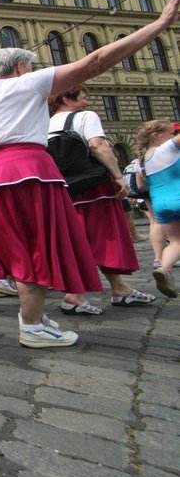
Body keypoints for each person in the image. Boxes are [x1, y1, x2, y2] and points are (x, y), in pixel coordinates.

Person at [0, 0, 180, 348]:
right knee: (34, 246)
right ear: (20, 68)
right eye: (30, 67)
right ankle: (31, 326)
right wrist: (158, 24)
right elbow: (96, 61)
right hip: (22, 171)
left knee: (17, 247)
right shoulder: (25, 83)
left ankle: (32, 316)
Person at [48, 86, 151, 313]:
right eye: (84, 98)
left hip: (63, 189)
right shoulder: (85, 117)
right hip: (93, 187)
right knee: (105, 236)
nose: (88, 102)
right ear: (67, 98)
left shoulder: (44, 123)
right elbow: (98, 145)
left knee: (75, 237)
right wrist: (118, 177)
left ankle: (118, 288)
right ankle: (76, 295)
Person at [135, 119, 180, 298]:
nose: (172, 136)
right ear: (156, 136)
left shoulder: (141, 160)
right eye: (170, 133)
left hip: (160, 203)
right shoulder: (167, 148)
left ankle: (165, 268)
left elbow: (140, 186)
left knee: (176, 241)